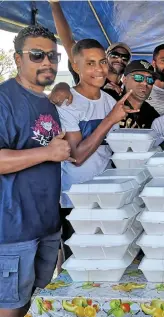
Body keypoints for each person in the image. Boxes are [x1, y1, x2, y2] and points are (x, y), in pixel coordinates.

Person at [0, 25, 72, 317]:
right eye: (37, 55)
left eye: (53, 56)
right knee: (9, 314)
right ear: (18, 59)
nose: (47, 63)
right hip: (13, 229)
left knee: (33, 307)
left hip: (46, 225)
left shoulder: (47, 101)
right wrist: (46, 153)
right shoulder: (4, 99)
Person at [56, 39, 138, 259]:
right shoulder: (67, 103)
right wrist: (109, 120)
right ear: (75, 66)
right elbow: (77, 156)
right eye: (90, 63)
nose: (100, 69)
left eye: (102, 62)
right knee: (77, 260)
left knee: (105, 257)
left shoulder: (111, 101)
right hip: (75, 199)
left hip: (105, 197)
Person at [49, 0, 131, 100]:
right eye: (115, 55)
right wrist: (55, 4)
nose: (119, 59)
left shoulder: (125, 89)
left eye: (125, 57)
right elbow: (68, 42)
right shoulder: (90, 74)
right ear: (105, 57)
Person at [119, 60, 160, 129]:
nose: (145, 83)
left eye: (150, 80)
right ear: (124, 80)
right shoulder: (111, 103)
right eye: (138, 77)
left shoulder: (151, 114)